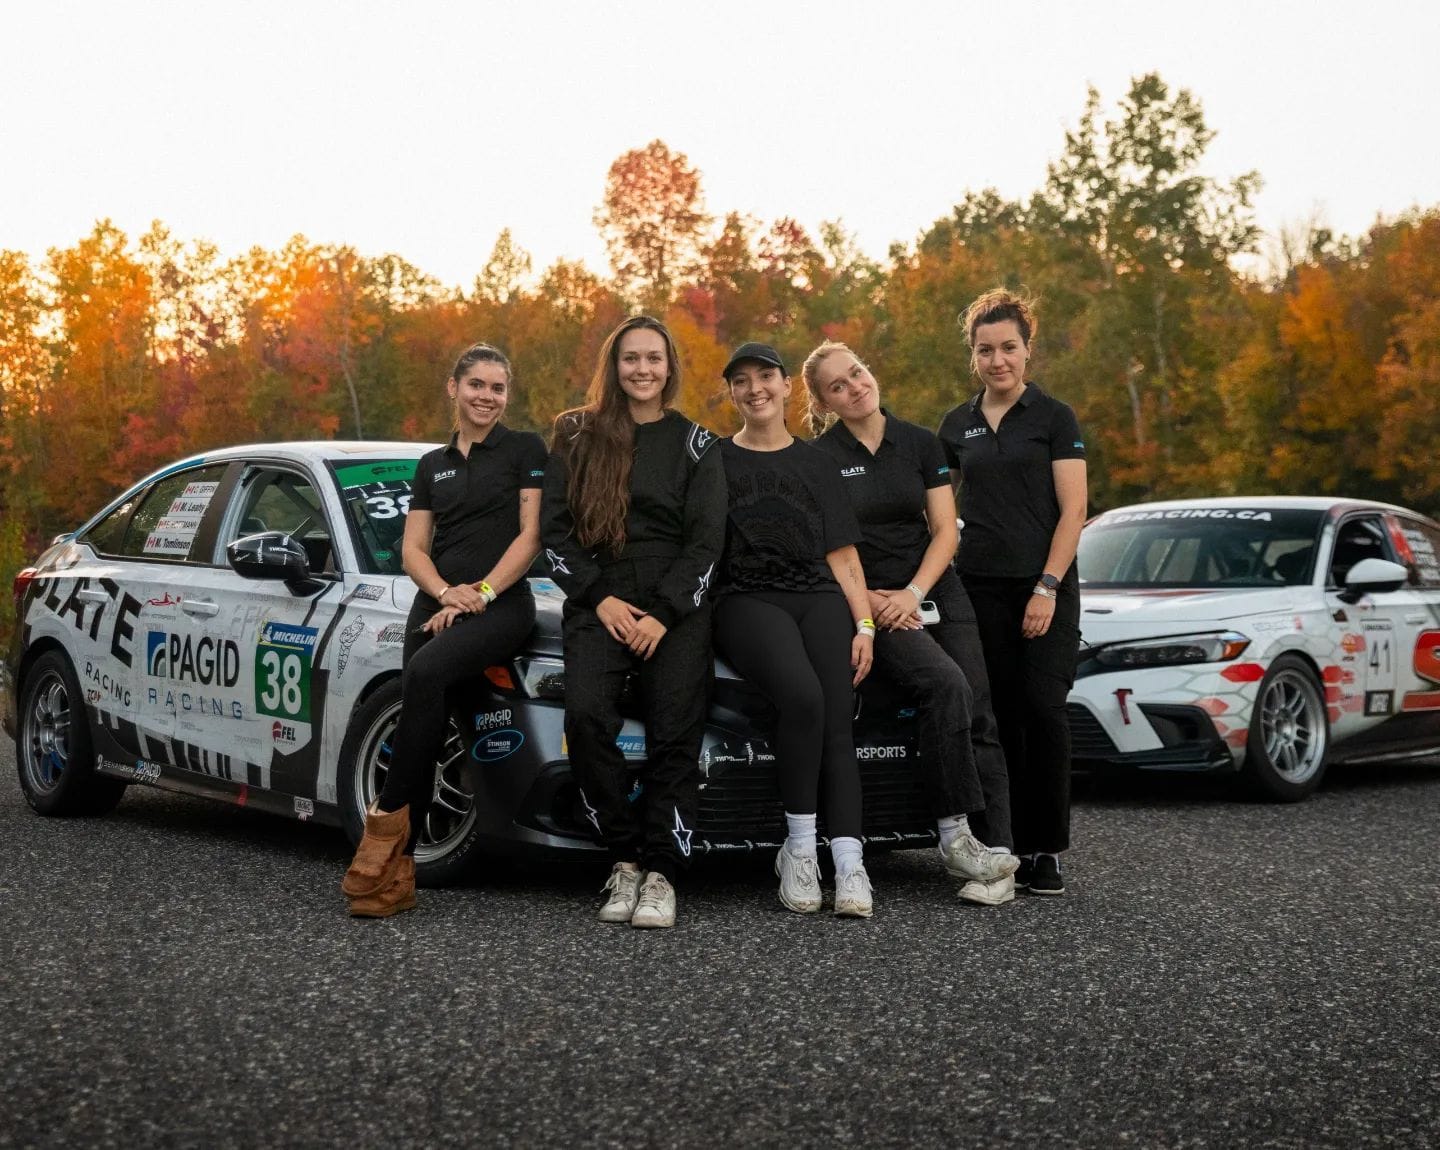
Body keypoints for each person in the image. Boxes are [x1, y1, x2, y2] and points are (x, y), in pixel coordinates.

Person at [803, 341, 1020, 905]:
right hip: (872, 599)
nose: (855, 386)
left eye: (857, 372)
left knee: (978, 708)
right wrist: (874, 603)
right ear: (825, 403)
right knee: (943, 684)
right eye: (838, 385)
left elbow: (946, 530)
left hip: (935, 587)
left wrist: (915, 591)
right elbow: (830, 548)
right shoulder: (820, 458)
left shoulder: (921, 442)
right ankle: (955, 835)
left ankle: (999, 862)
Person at [342, 343, 546, 917]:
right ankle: (396, 882)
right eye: (476, 384)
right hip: (434, 603)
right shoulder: (432, 465)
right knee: (421, 718)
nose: (487, 396)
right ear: (452, 388)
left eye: (498, 387)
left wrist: (478, 594)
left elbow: (530, 537)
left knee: (427, 672)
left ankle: (379, 842)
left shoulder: (526, 450)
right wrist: (444, 594)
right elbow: (412, 548)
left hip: (501, 603)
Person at [541, 315, 726, 930]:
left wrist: (666, 615)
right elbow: (554, 535)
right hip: (602, 597)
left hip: (676, 604)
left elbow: (707, 544)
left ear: (670, 367)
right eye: (630, 359)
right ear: (612, 365)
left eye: (654, 358)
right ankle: (623, 856)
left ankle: (663, 873)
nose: (642, 370)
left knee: (676, 733)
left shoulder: (699, 444)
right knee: (587, 717)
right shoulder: (574, 433)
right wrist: (600, 599)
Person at [713, 342, 877, 918]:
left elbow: (843, 553)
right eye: (741, 381)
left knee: (837, 712)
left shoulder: (817, 462)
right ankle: (801, 850)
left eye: (765, 377)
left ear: (786, 387)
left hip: (817, 595)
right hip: (745, 599)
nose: (755, 388)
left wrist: (864, 624)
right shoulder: (715, 459)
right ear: (731, 393)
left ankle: (852, 864)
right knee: (803, 698)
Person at [937, 289, 1088, 896]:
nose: (997, 360)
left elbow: (1074, 508)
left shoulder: (1054, 418)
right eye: (985, 350)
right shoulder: (956, 424)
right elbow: (936, 509)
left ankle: (1044, 848)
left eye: (1008, 348)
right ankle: (1000, 846)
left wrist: (1047, 586)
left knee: (1043, 712)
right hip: (977, 590)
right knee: (993, 717)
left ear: (1027, 351)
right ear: (973, 356)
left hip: (1044, 586)